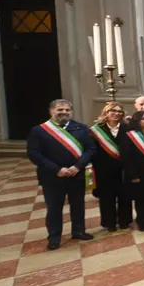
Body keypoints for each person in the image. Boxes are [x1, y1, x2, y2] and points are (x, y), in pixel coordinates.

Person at [28, 99, 96, 250]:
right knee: (54, 208)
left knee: (78, 205)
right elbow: (34, 154)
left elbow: (90, 149)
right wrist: (56, 169)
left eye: (67, 110)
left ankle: (78, 231)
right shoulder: (39, 130)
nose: (64, 112)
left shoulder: (81, 128)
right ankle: (54, 237)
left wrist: (78, 166)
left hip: (76, 174)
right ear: (51, 111)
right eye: (60, 110)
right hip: (52, 176)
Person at [90, 102, 129, 232]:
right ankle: (109, 223)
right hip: (103, 169)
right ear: (106, 113)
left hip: (123, 169)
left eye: (119, 111)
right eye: (113, 110)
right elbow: (92, 150)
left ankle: (124, 221)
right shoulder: (96, 129)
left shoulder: (126, 128)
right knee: (107, 197)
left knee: (124, 196)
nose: (116, 113)